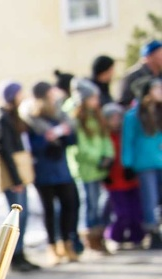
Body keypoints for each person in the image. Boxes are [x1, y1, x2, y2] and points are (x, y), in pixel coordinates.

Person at [23, 82, 80, 264]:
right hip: (44, 170)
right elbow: (31, 145)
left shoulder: (58, 115)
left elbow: (72, 139)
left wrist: (64, 133)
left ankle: (67, 243)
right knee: (49, 210)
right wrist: (46, 139)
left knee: (69, 205)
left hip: (61, 168)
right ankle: (52, 246)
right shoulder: (31, 119)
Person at [0, 81, 41, 272]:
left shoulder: (15, 116)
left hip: (21, 170)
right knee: (17, 217)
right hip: (14, 174)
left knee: (24, 216)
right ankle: (14, 256)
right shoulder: (2, 118)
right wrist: (16, 179)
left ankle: (20, 254)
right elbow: (5, 150)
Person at [67, 78, 114, 253]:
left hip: (100, 167)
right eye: (93, 98)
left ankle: (99, 235)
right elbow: (81, 146)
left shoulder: (97, 116)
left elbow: (105, 138)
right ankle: (90, 237)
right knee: (90, 204)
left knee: (102, 203)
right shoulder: (76, 117)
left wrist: (108, 156)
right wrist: (97, 159)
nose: (96, 101)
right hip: (85, 168)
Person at [121, 77, 162, 249]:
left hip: (160, 160)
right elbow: (128, 140)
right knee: (149, 200)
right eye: (157, 88)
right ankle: (152, 233)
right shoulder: (134, 115)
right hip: (144, 163)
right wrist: (127, 163)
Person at [102, 103, 144, 246]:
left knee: (136, 211)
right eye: (112, 118)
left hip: (131, 177)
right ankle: (115, 237)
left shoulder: (127, 133)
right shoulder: (104, 136)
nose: (116, 121)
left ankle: (137, 237)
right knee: (121, 213)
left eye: (118, 118)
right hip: (114, 180)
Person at [118, 40, 162, 108]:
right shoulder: (132, 76)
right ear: (149, 57)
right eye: (160, 53)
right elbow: (124, 104)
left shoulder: (159, 74)